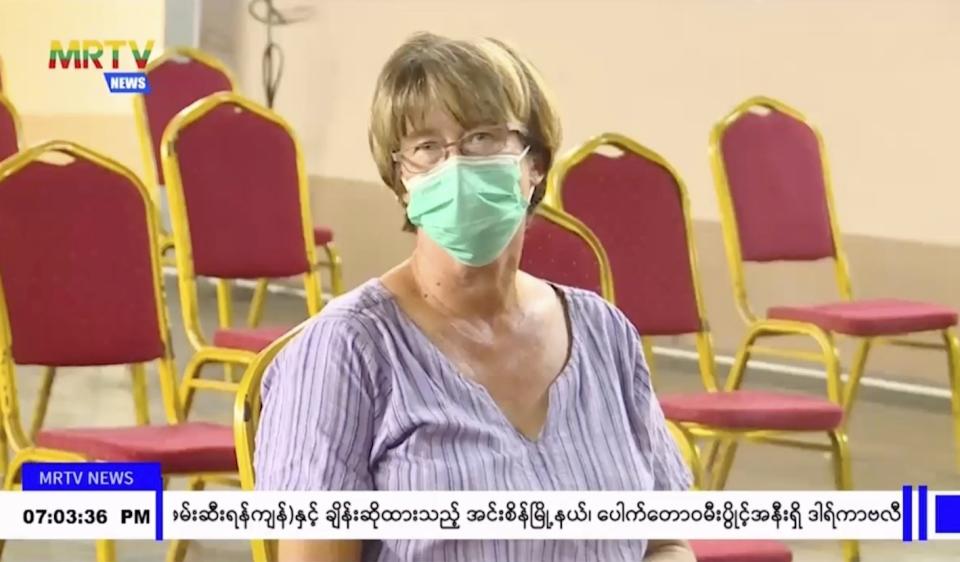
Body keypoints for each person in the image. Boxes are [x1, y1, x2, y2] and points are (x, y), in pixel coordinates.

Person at [254, 32, 694, 562]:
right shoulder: (345, 351)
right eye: (426, 147)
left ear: (534, 166)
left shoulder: (605, 336)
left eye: (483, 138)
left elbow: (664, 542)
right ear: (402, 180)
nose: (456, 166)